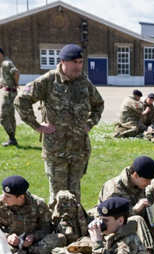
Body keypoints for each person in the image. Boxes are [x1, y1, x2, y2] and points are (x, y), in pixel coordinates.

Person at [15, 44, 105, 204]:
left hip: (79, 151)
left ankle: (75, 226)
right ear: (63, 61)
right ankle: (57, 228)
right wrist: (37, 126)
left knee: (75, 195)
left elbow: (98, 104)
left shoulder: (84, 82)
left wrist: (90, 124)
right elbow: (21, 100)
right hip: (56, 152)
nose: (78, 66)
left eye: (80, 62)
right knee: (58, 197)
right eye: (74, 62)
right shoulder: (49, 80)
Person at [0, 175, 57, 254]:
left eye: (8, 196)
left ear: (21, 197)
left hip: (33, 244)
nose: (3, 198)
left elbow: (47, 228)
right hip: (8, 245)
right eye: (3, 194)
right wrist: (7, 237)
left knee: (60, 238)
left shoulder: (38, 204)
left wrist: (33, 237)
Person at [0, 46, 20, 146]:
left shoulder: (6, 63)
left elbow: (16, 73)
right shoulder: (7, 62)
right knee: (11, 116)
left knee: (3, 117)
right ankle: (12, 139)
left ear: (0, 54)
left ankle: (12, 138)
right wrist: (2, 84)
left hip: (8, 93)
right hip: (11, 91)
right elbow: (11, 76)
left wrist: (15, 84)